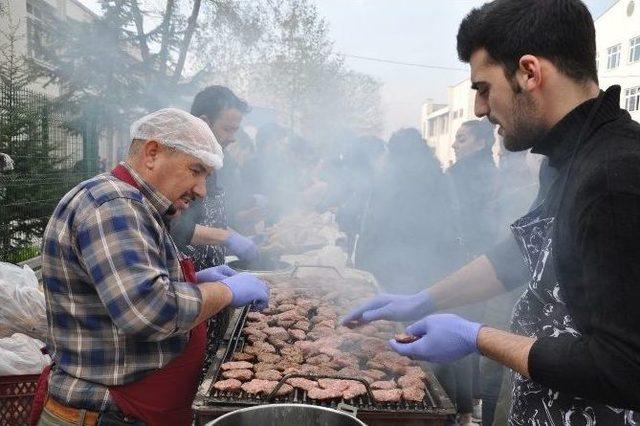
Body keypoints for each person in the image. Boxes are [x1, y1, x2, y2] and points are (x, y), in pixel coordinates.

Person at [342, 0, 640, 423]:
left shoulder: (617, 175)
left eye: (483, 87)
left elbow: (626, 366)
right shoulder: (566, 159)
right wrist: (423, 300)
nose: (480, 109)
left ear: (529, 72)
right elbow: (521, 255)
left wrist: (478, 337)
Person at [37, 108, 269, 426]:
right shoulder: (114, 205)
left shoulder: (137, 205)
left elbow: (130, 286)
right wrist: (225, 291)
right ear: (152, 153)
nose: (201, 189)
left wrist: (197, 281)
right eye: (196, 170)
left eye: (206, 177)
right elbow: (147, 310)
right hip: (108, 412)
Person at [171, 85, 258, 270]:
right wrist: (227, 238)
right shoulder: (178, 164)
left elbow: (208, 220)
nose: (233, 138)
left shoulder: (212, 163)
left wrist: (239, 238)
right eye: (228, 129)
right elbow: (172, 226)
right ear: (203, 122)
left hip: (212, 275)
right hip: (185, 284)